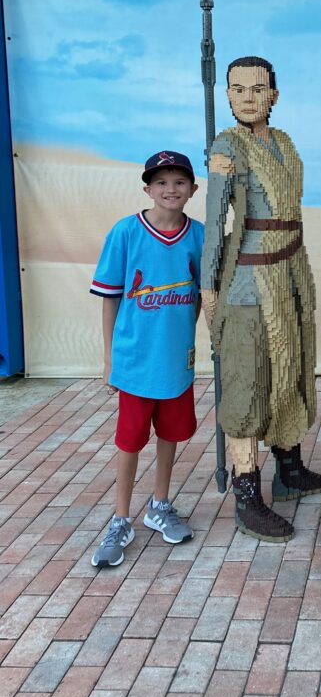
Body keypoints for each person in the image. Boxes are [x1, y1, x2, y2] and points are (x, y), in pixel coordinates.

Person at [201, 56, 321, 543]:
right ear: (227, 95)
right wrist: (209, 290)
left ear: (274, 95)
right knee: (246, 379)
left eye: (258, 89)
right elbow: (216, 226)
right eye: (237, 90)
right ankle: (247, 496)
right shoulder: (225, 147)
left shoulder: (282, 143)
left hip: (290, 273)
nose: (247, 98)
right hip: (248, 284)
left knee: (290, 368)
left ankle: (290, 470)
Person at [89, 151, 204, 568]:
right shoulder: (126, 233)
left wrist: (185, 341)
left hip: (176, 360)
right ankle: (121, 517)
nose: (170, 189)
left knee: (170, 433)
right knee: (130, 439)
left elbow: (198, 296)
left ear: (193, 189)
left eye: (179, 182)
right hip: (135, 359)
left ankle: (159, 504)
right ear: (147, 189)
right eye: (161, 182)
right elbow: (110, 298)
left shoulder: (198, 235)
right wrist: (109, 358)